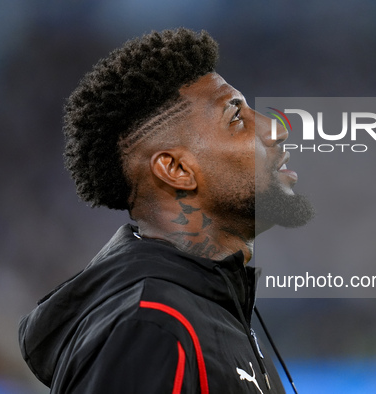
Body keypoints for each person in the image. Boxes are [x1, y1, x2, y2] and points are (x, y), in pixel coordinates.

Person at [18, 28, 314, 393]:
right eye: (236, 118)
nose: (274, 128)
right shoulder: (150, 330)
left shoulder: (209, 313)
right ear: (177, 170)